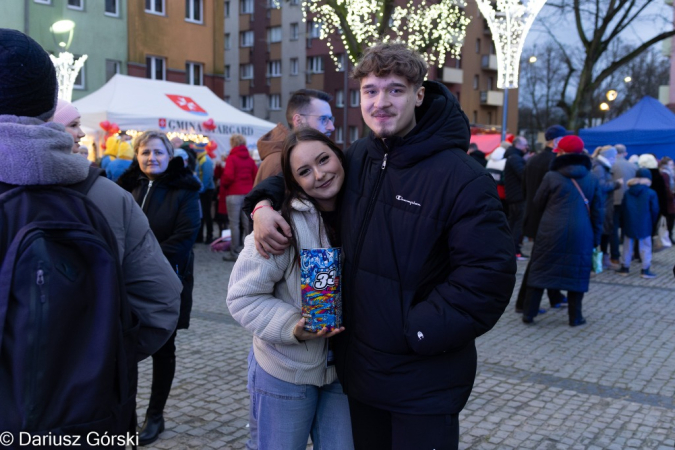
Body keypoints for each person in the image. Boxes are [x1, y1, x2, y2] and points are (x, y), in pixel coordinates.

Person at [245, 42, 515, 449]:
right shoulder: (360, 157)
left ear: (419, 95)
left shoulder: (463, 177)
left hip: (422, 383)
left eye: (395, 90)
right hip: (359, 377)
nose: (381, 102)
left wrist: (417, 331)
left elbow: (487, 279)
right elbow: (298, 174)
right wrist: (262, 205)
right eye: (370, 91)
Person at [0, 28, 181, 438]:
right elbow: (161, 301)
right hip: (88, 418)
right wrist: (99, 356)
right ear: (49, 106)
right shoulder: (106, 196)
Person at [227, 129, 353, 450]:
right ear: (294, 181)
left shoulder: (362, 215)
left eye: (323, 159)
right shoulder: (283, 224)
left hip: (344, 371)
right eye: (304, 171)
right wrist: (290, 326)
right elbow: (242, 297)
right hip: (286, 371)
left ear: (340, 156)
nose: (320, 174)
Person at [117, 131, 201, 446]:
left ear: (169, 156)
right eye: (146, 153)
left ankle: (156, 414)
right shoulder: (126, 187)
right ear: (137, 156)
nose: (152, 158)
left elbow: (185, 235)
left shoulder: (186, 189)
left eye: (158, 152)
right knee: (127, 347)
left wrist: (145, 267)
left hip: (169, 280)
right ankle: (128, 416)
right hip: (127, 283)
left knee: (164, 348)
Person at [522, 135, 603, 326]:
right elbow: (598, 212)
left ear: (562, 153)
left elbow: (537, 202)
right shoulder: (591, 178)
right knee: (577, 273)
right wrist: (596, 239)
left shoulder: (551, 176)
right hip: (582, 232)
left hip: (551, 229)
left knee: (540, 271)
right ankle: (575, 317)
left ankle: (529, 313)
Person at [516, 125, 571, 313]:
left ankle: (554, 296)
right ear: (556, 141)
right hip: (546, 218)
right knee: (539, 262)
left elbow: (525, 189)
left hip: (533, 215)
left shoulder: (532, 160)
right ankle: (524, 303)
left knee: (546, 260)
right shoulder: (554, 162)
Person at [254, 89, 334, 186]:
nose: (331, 127)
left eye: (330, 119)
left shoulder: (293, 155)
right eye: (323, 119)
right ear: (298, 121)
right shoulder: (280, 161)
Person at [220, 134, 258, 261]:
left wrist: (223, 183)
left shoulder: (231, 158)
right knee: (247, 223)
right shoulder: (250, 159)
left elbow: (228, 176)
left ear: (233, 144)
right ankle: (249, 251)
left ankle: (235, 252)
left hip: (234, 194)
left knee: (234, 224)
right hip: (248, 194)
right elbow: (255, 176)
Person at [616, 168, 659, 278]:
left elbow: (622, 209)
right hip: (645, 222)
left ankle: (625, 268)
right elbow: (655, 210)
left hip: (629, 222)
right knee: (645, 246)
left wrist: (623, 222)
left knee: (627, 246)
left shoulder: (627, 192)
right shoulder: (651, 192)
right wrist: (652, 222)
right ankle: (645, 269)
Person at [591, 146, 622, 269]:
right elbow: (601, 186)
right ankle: (597, 261)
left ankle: (602, 259)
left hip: (605, 206)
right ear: (608, 157)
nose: (615, 159)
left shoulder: (602, 166)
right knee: (601, 233)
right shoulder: (599, 167)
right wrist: (616, 184)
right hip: (602, 206)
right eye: (614, 157)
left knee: (605, 232)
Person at [610, 144, 636, 266]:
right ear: (625, 153)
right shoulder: (633, 166)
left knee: (613, 229)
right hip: (629, 201)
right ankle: (628, 255)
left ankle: (615, 256)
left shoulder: (611, 165)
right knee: (627, 229)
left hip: (614, 200)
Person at [504, 136, 529, 260]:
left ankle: (510, 249)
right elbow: (523, 174)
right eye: (525, 145)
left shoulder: (512, 156)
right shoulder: (515, 158)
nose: (527, 147)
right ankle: (514, 251)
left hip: (513, 195)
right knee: (517, 224)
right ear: (518, 145)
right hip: (518, 196)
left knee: (513, 223)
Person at [194, 142, 216, 243]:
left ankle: (209, 236)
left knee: (206, 214)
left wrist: (202, 190)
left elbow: (207, 177)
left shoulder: (205, 160)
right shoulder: (201, 159)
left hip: (206, 191)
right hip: (203, 190)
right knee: (202, 214)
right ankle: (201, 236)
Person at [658, 156, 675, 242]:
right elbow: (666, 188)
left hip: (669, 199)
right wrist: (672, 195)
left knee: (670, 219)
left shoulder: (668, 173)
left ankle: (669, 236)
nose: (673, 166)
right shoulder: (665, 174)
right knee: (669, 219)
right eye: (671, 164)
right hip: (668, 200)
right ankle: (668, 237)